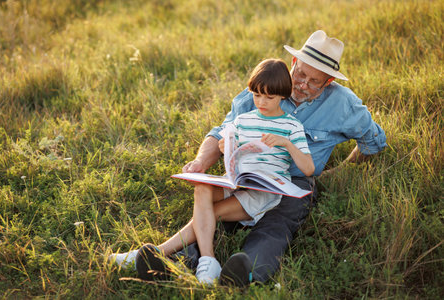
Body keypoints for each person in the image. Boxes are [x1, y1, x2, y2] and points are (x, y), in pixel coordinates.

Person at [111, 30, 387, 286]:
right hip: (247, 173)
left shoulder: (344, 105)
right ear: (293, 62)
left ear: (328, 82)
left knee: (275, 227)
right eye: (299, 73)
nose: (301, 84)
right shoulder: (265, 89)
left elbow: (374, 142)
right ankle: (170, 264)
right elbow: (221, 131)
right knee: (217, 211)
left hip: (293, 184)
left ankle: (245, 271)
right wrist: (200, 163)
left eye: (313, 81)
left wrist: (334, 174)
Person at [109, 59, 315, 285]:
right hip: (236, 182)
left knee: (211, 212)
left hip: (263, 193)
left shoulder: (291, 126)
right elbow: (229, 144)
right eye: (256, 95)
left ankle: (176, 256)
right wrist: (225, 147)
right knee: (202, 188)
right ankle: (200, 260)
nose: (261, 102)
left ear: (283, 95)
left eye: (269, 97)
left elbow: (308, 168)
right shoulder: (243, 120)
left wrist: (287, 144)